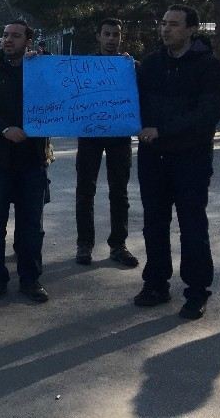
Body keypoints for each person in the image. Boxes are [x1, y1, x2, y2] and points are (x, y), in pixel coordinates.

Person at [134, 4, 220, 320]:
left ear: (191, 29)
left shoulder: (208, 66)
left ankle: (197, 292)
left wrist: (163, 130)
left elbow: (207, 114)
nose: (165, 29)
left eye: (173, 24)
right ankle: (156, 284)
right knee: (154, 224)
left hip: (191, 159)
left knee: (192, 225)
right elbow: (125, 97)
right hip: (153, 158)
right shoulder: (151, 65)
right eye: (163, 23)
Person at [0, 20, 51, 303]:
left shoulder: (40, 69)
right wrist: (5, 129)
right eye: (5, 35)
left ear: (28, 40)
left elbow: (61, 98)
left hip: (32, 160)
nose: (8, 40)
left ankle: (30, 279)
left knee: (31, 226)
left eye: (15, 36)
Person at [74, 18, 139, 268]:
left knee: (119, 192)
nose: (111, 38)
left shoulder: (130, 66)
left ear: (121, 38)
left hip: (119, 136)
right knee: (85, 191)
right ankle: (84, 244)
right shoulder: (84, 66)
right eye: (107, 34)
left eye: (116, 34)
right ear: (99, 36)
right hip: (90, 135)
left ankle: (118, 244)